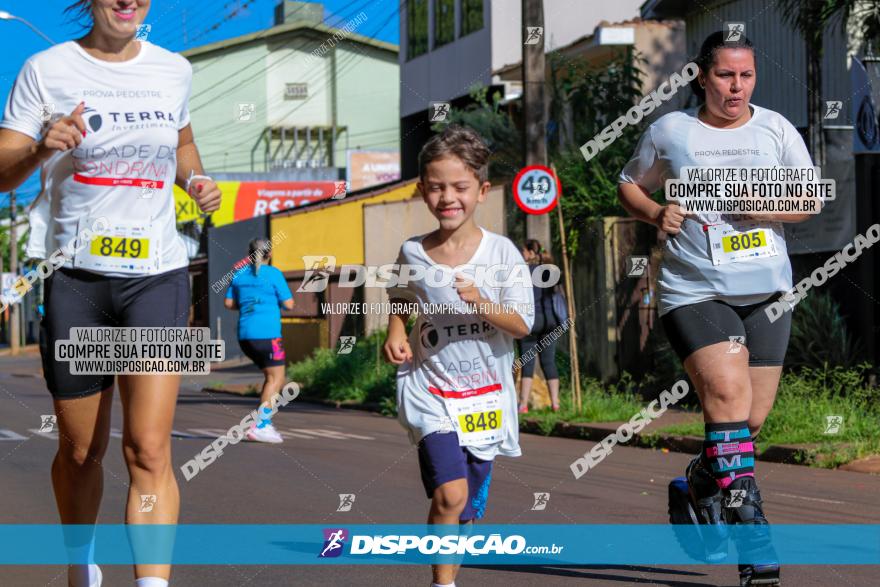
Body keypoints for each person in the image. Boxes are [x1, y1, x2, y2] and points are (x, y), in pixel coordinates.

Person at [0, 1, 221, 586]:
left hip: (157, 276)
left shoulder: (173, 69)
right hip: (79, 280)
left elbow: (182, 144)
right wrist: (43, 146)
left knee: (148, 449)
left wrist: (196, 180)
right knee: (80, 451)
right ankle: (81, 565)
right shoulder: (45, 69)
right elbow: (2, 171)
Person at [618, 31, 816, 586]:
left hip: (767, 291)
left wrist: (765, 204)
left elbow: (810, 199)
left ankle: (701, 482)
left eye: (746, 75)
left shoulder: (775, 129)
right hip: (695, 291)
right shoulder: (671, 131)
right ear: (700, 77)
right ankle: (754, 538)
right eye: (725, 75)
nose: (736, 87)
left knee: (746, 421)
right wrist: (656, 213)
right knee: (727, 398)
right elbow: (629, 185)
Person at [383, 125, 535, 587]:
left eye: (460, 187)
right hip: (430, 389)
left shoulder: (502, 253)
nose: (448, 197)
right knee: (450, 495)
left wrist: (482, 302)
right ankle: (442, 584)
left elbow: (523, 324)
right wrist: (395, 331)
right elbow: (401, 295)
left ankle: (448, 568)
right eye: (436, 187)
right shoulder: (413, 251)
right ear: (422, 191)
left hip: (485, 397)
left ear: (482, 191)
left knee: (465, 506)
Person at [224, 238, 294, 443]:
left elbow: (228, 303)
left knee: (270, 377)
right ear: (269, 254)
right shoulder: (274, 274)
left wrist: (248, 303)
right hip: (268, 335)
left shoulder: (238, 274)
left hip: (245, 336)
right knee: (276, 379)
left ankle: (263, 423)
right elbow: (289, 304)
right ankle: (261, 425)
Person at [517, 239, 564, 413]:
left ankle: (523, 405)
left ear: (530, 253)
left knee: (527, 363)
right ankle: (555, 403)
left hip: (530, 322)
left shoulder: (522, 272)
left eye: (523, 251)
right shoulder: (550, 270)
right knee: (549, 362)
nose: (522, 254)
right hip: (550, 320)